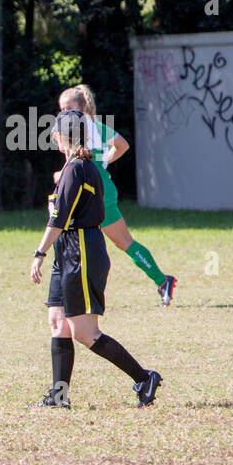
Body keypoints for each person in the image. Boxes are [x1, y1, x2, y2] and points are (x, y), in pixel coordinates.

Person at [29, 108, 162, 408]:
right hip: (68, 251)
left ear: (62, 138)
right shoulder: (78, 167)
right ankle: (58, 397)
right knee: (57, 322)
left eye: (56, 136)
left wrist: (39, 252)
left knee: (85, 332)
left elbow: (59, 219)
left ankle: (144, 377)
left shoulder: (77, 169)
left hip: (82, 251)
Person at [58, 85, 176, 306]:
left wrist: (101, 164)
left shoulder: (83, 128)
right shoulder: (85, 128)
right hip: (94, 188)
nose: (64, 113)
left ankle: (65, 295)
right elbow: (120, 146)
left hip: (95, 191)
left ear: (82, 107)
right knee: (75, 238)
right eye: (61, 109)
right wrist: (102, 162)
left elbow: (120, 146)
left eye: (68, 108)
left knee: (110, 241)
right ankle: (161, 281)